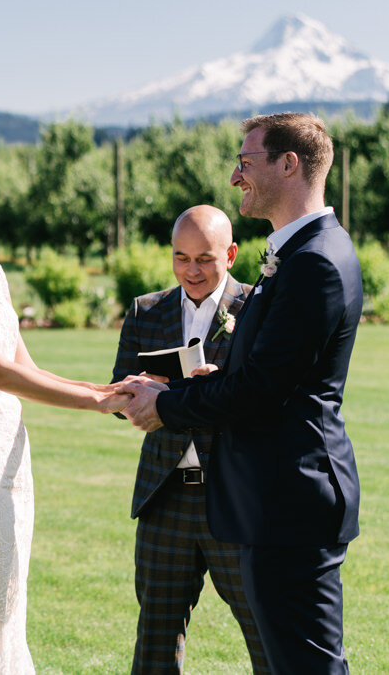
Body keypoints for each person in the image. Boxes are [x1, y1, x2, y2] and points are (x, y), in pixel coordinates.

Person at [0, 123, 163, 674]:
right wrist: (99, 404)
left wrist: (110, 391)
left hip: (10, 452)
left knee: (6, 610)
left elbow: (26, 367)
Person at [122, 113, 362, 674]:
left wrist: (168, 404)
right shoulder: (301, 253)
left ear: (288, 164)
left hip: (289, 500)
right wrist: (214, 382)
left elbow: (260, 390)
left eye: (246, 162)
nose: (236, 177)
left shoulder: (314, 264)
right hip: (274, 497)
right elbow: (264, 375)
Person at [112, 205, 268, 673]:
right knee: (155, 639)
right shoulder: (146, 310)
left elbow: (267, 394)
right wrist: (140, 393)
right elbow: (120, 393)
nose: (192, 270)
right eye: (181, 258)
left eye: (205, 259)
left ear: (232, 254)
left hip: (235, 497)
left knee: (265, 631)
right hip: (165, 498)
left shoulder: (258, 307)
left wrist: (220, 385)